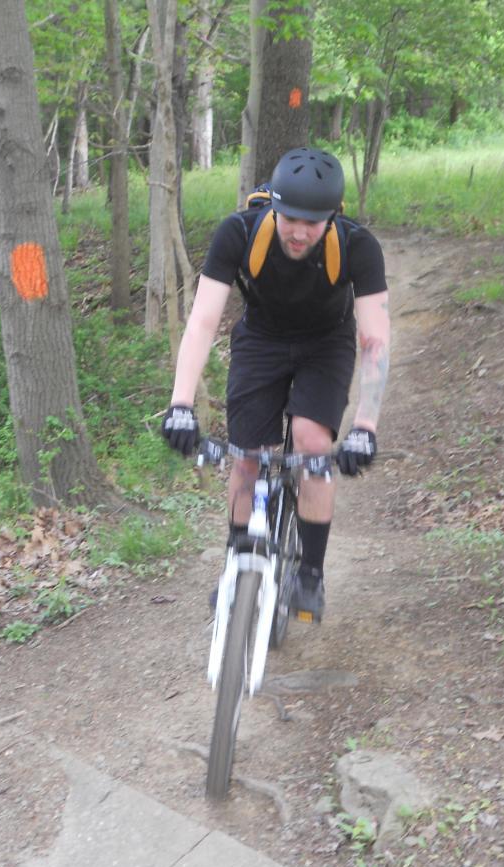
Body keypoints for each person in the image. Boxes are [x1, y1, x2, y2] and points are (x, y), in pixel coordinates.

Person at [161, 147, 390, 623]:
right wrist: (181, 403)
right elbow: (202, 321)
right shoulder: (239, 232)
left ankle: (309, 573)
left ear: (332, 216)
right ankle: (237, 561)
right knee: (247, 454)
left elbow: (374, 340)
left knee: (310, 442)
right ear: (274, 207)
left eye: (314, 222)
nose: (300, 232)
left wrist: (365, 426)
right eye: (290, 219)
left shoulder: (357, 245)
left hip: (326, 344)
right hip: (261, 341)